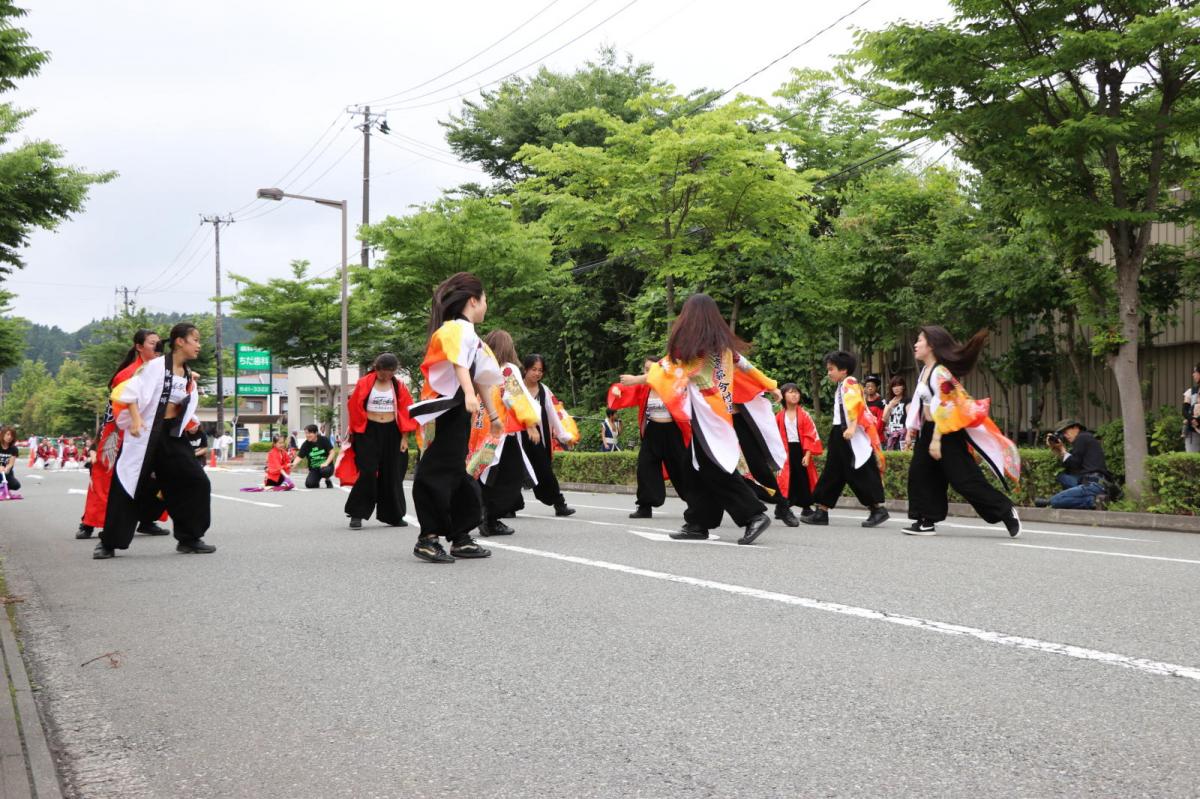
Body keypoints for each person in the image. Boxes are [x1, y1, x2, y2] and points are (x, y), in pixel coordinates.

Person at [621, 294, 774, 545]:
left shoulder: (691, 349)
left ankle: (753, 514)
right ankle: (698, 522)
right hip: (719, 416)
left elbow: (665, 370)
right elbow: (747, 366)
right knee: (694, 470)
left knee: (714, 469)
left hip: (706, 418)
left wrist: (638, 379)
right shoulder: (723, 347)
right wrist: (770, 385)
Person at [95, 322, 215, 558]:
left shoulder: (188, 373)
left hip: (172, 436)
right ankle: (108, 543)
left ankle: (190, 538)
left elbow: (183, 406)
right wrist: (137, 420)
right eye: (196, 340)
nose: (199, 345)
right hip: (146, 434)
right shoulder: (156, 367)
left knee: (196, 481)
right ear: (180, 341)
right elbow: (129, 393)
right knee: (128, 485)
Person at [408, 272, 505, 563]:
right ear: (473, 301)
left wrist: (493, 414)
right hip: (446, 408)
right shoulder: (455, 329)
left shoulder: (471, 335)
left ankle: (461, 536)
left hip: (461, 406)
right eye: (485, 299)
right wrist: (469, 394)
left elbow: (483, 378)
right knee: (438, 470)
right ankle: (427, 538)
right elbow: (459, 363)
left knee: (459, 474)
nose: (486, 305)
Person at [903, 326, 1022, 536]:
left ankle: (1005, 510)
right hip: (929, 430)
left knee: (964, 480)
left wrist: (937, 439)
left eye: (919, 340)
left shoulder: (941, 372)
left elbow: (947, 406)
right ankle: (926, 520)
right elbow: (924, 404)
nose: (915, 344)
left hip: (946, 432)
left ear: (931, 345)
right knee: (920, 473)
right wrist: (912, 429)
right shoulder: (925, 370)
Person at [78, 328, 168, 539]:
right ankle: (90, 522)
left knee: (155, 476)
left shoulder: (161, 372)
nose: (157, 348)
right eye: (151, 343)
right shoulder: (127, 374)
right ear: (139, 347)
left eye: (159, 344)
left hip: (149, 432)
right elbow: (119, 410)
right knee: (105, 475)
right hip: (119, 431)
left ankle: (147, 519)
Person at [801, 351, 889, 528]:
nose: (829, 373)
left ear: (844, 370)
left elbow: (855, 405)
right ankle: (822, 510)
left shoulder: (850, 382)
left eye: (831, 369)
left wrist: (851, 427)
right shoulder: (843, 384)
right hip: (840, 432)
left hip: (848, 433)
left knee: (857, 471)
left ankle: (876, 508)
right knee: (834, 472)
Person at [473, 330, 541, 537]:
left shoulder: (482, 369)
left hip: (481, 431)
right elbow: (516, 398)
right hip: (501, 432)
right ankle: (489, 517)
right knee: (511, 478)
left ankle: (486, 516)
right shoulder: (508, 370)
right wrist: (530, 423)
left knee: (484, 475)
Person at [608, 357, 695, 520]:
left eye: (651, 370)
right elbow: (625, 390)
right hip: (652, 431)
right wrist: (617, 391)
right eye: (645, 369)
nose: (646, 373)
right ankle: (644, 506)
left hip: (673, 432)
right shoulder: (644, 388)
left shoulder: (673, 384)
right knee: (645, 467)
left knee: (681, 470)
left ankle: (696, 504)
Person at [342, 353, 419, 529]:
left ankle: (393, 515)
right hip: (368, 431)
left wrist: (405, 438)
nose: (387, 376)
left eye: (391, 373)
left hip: (392, 431)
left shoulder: (399, 386)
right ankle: (357, 513)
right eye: (384, 373)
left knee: (392, 473)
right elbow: (354, 407)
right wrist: (355, 432)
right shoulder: (365, 382)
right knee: (368, 471)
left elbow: (406, 410)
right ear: (376, 368)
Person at [519, 354, 578, 517]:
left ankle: (559, 504)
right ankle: (511, 505)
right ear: (525, 369)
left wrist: (563, 435)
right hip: (517, 435)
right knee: (513, 471)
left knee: (545, 470)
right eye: (533, 369)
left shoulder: (544, 390)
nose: (537, 373)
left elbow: (553, 415)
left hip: (538, 437)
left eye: (540, 370)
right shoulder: (516, 388)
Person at [1039, 419, 1110, 510]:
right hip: (1091, 482)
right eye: (1063, 433)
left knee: (1055, 501)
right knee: (1062, 477)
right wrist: (1057, 449)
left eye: (1066, 431)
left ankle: (1093, 501)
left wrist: (1063, 449)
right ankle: (1093, 499)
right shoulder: (1085, 438)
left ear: (1076, 427)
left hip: (1093, 484)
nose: (1065, 435)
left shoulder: (1082, 438)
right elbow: (1073, 468)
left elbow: (1074, 463)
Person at [775, 383, 822, 519]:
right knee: (785, 480)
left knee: (803, 479)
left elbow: (810, 435)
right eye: (790, 392)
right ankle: (781, 508)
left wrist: (807, 455)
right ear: (783, 396)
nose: (794, 395)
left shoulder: (805, 415)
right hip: (785, 452)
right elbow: (774, 437)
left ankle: (806, 507)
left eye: (796, 392)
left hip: (801, 450)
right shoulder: (779, 416)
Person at [292, 424, 339, 489]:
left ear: (316, 433)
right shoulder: (306, 444)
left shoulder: (324, 440)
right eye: (306, 433)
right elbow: (299, 457)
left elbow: (332, 453)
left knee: (325, 471)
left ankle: (327, 480)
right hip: (314, 469)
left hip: (326, 467)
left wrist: (326, 463)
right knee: (309, 484)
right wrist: (293, 465)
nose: (307, 435)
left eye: (309, 433)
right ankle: (316, 481)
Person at [882, 375, 909, 451]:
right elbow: (884, 418)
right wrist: (890, 405)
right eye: (894, 386)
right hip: (891, 434)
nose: (896, 388)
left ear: (903, 387)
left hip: (903, 435)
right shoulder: (889, 401)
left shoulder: (907, 400)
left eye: (898, 385)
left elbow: (910, 418)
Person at [863, 375, 887, 442]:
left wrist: (874, 434)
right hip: (865, 437)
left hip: (878, 437)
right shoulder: (863, 402)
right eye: (868, 386)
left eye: (872, 386)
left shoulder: (881, 402)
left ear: (877, 388)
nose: (870, 388)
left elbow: (881, 421)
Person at [1183, 363, 1200, 454]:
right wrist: (1192, 419)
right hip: (1192, 431)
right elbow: (1184, 410)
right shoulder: (1191, 391)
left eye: (1195, 372)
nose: (1193, 374)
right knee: (1192, 460)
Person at [0, 426, 21, 494]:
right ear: (3, 434)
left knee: (16, 485)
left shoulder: (14, 449)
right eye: (8, 434)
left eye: (12, 435)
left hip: (6, 472)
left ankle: (5, 488)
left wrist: (7, 468)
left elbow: (11, 463)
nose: (9, 437)